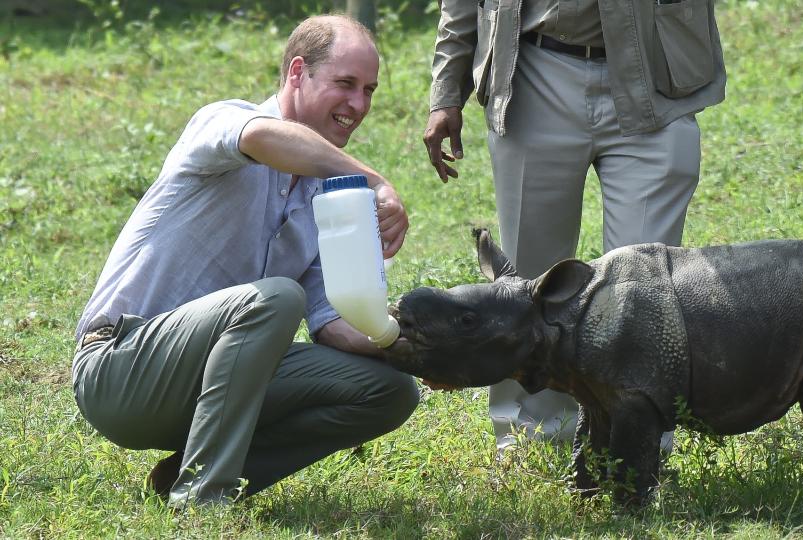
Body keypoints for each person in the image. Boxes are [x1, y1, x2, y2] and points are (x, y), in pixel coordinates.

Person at [72, 15, 420, 508]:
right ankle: (202, 497)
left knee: (390, 390)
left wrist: (421, 347)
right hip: (120, 371)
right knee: (276, 298)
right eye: (345, 84)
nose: (358, 105)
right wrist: (375, 180)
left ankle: (188, 474)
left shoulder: (329, 201)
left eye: (369, 90)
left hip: (213, 387)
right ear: (298, 72)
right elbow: (262, 138)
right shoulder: (224, 122)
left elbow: (335, 324)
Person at [423, 0, 726, 452]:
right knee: (528, 275)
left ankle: (637, 441)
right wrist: (447, 91)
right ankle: (532, 436)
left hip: (654, 75)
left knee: (641, 285)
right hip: (534, 71)